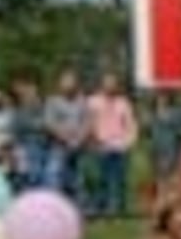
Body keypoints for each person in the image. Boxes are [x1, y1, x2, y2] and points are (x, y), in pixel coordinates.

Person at [89, 73, 140, 217]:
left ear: (116, 86)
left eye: (113, 83)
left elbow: (131, 124)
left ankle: (121, 209)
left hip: (120, 146)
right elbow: (89, 122)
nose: (110, 86)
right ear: (101, 84)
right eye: (107, 83)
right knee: (101, 179)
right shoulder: (93, 101)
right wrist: (94, 140)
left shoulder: (123, 102)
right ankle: (101, 208)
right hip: (101, 145)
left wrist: (129, 141)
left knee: (120, 179)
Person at [44, 70, 91, 201]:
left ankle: (79, 206)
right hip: (59, 146)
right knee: (54, 176)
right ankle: (55, 203)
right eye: (65, 82)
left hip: (79, 146)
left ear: (76, 84)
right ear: (60, 84)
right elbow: (49, 123)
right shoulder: (52, 101)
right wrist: (64, 138)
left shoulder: (82, 101)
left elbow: (87, 122)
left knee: (78, 178)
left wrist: (79, 139)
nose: (69, 85)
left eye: (71, 82)